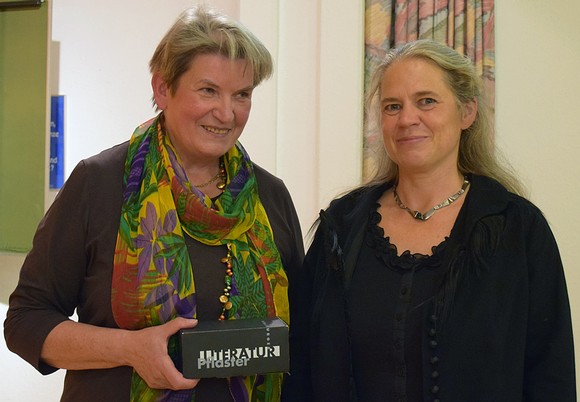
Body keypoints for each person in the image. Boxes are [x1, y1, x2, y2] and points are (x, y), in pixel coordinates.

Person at [4, 6, 304, 402]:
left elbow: (300, 330)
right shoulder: (99, 184)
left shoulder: (269, 197)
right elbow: (27, 321)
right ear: (163, 89)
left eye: (242, 95)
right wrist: (130, 349)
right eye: (208, 90)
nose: (227, 113)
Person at [283, 39, 575, 401]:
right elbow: (300, 364)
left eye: (427, 101)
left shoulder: (518, 229)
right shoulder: (341, 228)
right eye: (393, 106)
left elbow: (551, 376)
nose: (407, 119)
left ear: (467, 112)